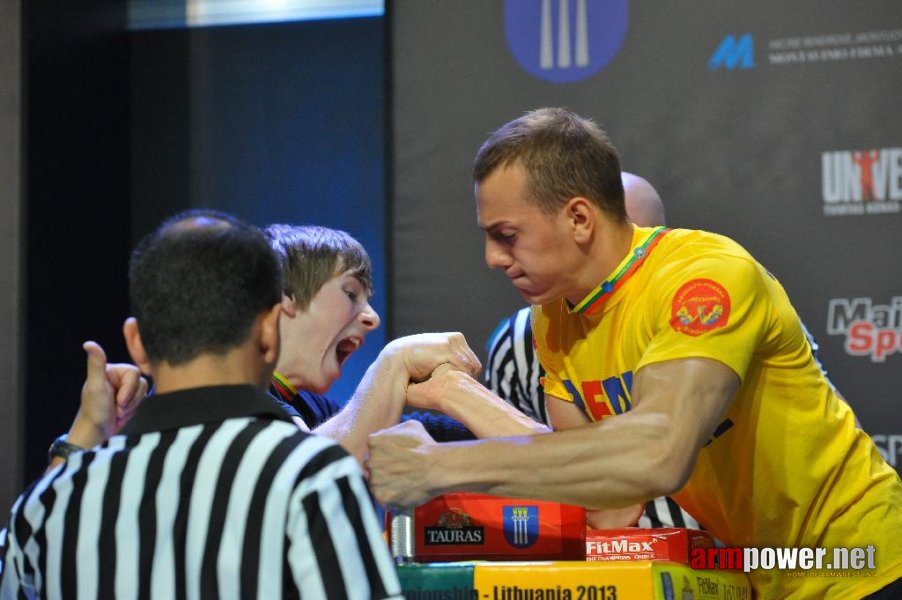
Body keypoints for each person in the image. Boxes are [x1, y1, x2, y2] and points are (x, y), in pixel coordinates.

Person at [366, 108, 902, 598]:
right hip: (761, 575)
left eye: (507, 235)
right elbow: (605, 495)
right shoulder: (555, 318)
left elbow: (658, 452)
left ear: (579, 218)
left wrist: (440, 466)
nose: (491, 258)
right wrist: (454, 394)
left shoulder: (703, 278)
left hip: (865, 560)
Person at [0, 210, 403, 598]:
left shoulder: (49, 503)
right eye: (351, 294)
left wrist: (84, 435)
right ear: (269, 331)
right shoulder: (312, 476)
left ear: (137, 344)